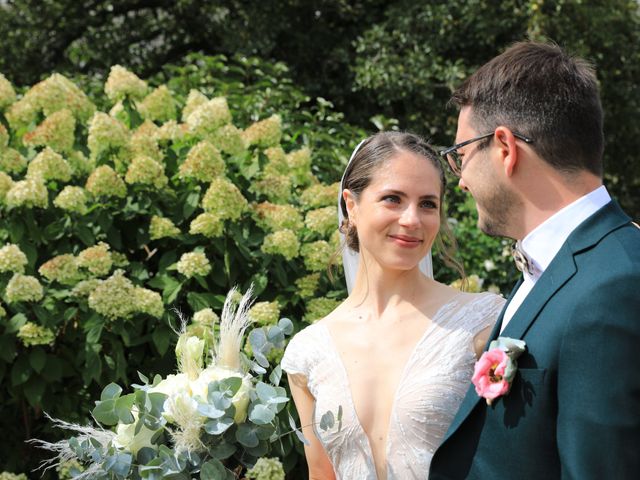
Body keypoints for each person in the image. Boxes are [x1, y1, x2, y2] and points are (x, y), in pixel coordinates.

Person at [430, 41, 640, 479]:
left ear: (504, 147)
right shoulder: (562, 265)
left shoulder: (614, 285)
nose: (461, 180)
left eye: (460, 155)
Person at [281, 131, 505, 479]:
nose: (412, 219)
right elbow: (321, 474)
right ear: (351, 206)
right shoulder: (308, 352)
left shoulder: (482, 323)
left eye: (428, 204)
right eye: (393, 199)